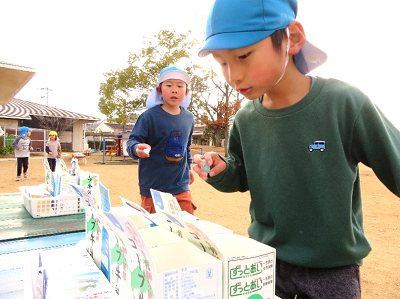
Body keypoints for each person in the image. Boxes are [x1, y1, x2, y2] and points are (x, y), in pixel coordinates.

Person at [193, 0, 400, 298]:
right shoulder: (245, 119)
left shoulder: (343, 103)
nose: (233, 75)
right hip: (264, 264)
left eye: (243, 55)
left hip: (332, 271)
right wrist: (222, 169)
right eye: (222, 62)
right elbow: (242, 175)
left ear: (293, 39)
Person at [126, 66, 196, 214]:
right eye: (169, 85)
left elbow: (187, 146)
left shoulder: (189, 118)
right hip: (153, 188)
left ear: (187, 91)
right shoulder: (149, 117)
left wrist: (188, 166)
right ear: (159, 90)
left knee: (186, 231)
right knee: (154, 233)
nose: (174, 90)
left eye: (179, 86)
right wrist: (136, 148)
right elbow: (132, 141)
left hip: (181, 186)